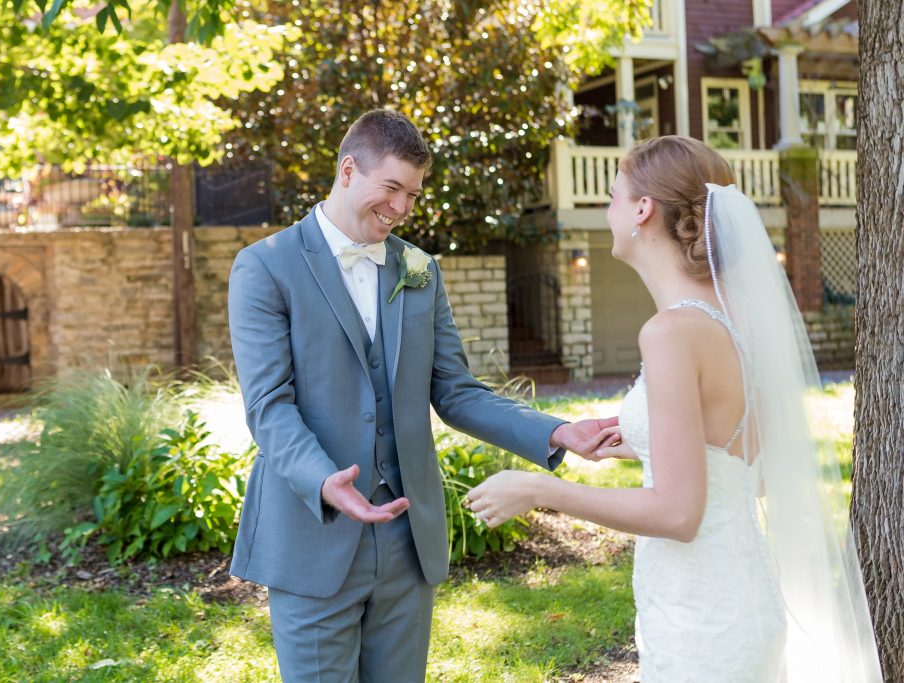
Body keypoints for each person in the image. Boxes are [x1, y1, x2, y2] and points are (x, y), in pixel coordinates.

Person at [467, 136, 882, 682]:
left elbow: (679, 515)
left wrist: (540, 490)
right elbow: (746, 469)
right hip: (738, 596)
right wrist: (643, 442)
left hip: (701, 618)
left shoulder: (670, 333)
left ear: (642, 210)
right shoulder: (738, 320)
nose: (608, 210)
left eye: (613, 196)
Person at [227, 109, 615, 683]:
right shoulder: (265, 267)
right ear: (348, 170)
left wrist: (555, 431)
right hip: (314, 536)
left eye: (413, 194)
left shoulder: (420, 270)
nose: (402, 208)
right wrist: (322, 478)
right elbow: (269, 405)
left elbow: (455, 392)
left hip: (408, 544)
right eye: (392, 189)